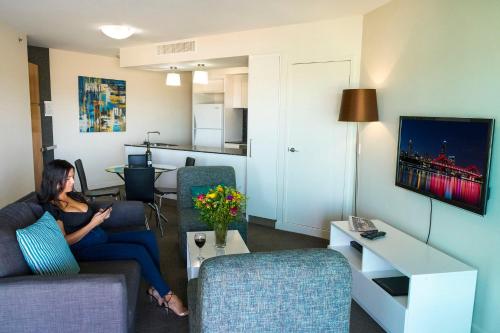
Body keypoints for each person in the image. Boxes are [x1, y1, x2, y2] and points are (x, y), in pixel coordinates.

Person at [38, 159, 188, 317]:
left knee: (148, 236)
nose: (73, 181)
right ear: (54, 179)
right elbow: (65, 242)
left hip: (99, 236)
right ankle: (168, 296)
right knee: (137, 251)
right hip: (84, 249)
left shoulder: (73, 195)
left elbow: (86, 216)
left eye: (73, 176)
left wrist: (99, 217)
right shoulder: (51, 207)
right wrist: (93, 223)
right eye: (68, 178)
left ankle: (156, 288)